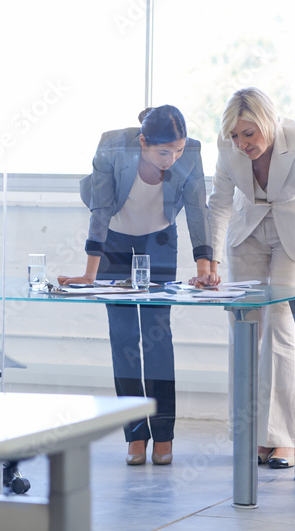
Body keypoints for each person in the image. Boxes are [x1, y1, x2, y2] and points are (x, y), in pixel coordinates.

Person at [58, 105, 213, 467]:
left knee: (158, 337)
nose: (172, 159)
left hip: (159, 242)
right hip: (114, 243)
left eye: (178, 149)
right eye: (163, 152)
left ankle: (163, 434)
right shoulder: (113, 147)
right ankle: (135, 436)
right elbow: (99, 209)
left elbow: (197, 208)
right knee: (124, 338)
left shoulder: (190, 153)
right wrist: (89, 273)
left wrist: (204, 266)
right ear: (143, 142)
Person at [204, 87, 295, 470]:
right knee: (245, 330)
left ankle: (279, 438)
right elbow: (219, 203)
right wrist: (209, 261)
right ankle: (249, 434)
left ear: (267, 123)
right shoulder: (227, 145)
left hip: (288, 234)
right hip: (245, 235)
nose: (242, 144)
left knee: (280, 326)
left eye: (249, 134)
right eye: (235, 136)